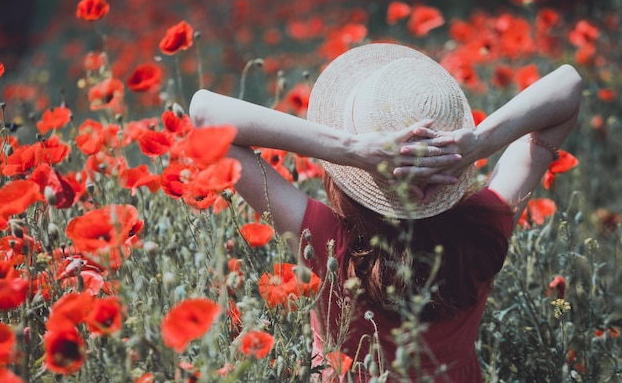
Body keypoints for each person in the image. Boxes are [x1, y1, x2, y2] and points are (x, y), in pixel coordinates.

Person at [189, 43, 582, 382]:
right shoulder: (487, 224)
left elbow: (206, 116)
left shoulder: (331, 243)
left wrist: (350, 149)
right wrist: (479, 143)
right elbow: (568, 86)